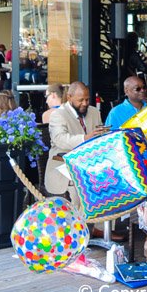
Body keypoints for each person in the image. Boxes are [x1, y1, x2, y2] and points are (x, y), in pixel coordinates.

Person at [45, 82, 106, 210]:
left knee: (111, 179)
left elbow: (100, 136)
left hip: (90, 162)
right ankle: (80, 226)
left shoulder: (94, 112)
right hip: (63, 165)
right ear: (69, 97)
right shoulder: (58, 114)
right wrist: (85, 138)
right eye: (80, 100)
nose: (84, 103)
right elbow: (59, 139)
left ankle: (100, 227)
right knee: (81, 185)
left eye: (87, 99)